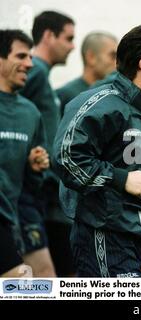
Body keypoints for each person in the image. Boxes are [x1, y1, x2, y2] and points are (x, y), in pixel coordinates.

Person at [52, 24, 141, 277]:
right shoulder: (101, 104)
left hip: (133, 238)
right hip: (101, 235)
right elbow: (65, 158)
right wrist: (122, 178)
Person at [19, 10, 75, 277]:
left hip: (42, 191)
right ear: (49, 36)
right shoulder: (35, 72)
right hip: (34, 191)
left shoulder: (42, 76)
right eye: (68, 38)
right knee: (43, 277)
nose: (73, 46)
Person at [0, 29, 49, 277]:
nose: (30, 64)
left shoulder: (30, 112)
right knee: (21, 282)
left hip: (14, 215)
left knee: (42, 281)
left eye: (30, 57)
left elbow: (31, 181)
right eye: (21, 56)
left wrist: (35, 166)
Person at [56, 31, 118, 115]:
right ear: (91, 57)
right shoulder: (66, 95)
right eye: (112, 56)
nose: (117, 63)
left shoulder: (113, 93)